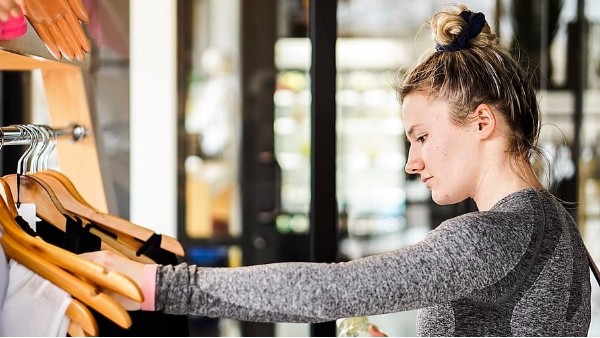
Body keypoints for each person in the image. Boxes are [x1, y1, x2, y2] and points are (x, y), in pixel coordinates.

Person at [82, 4, 592, 336]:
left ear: (482, 122)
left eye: (422, 137)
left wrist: (165, 285)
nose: (412, 161)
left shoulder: (493, 235)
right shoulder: (554, 225)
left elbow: (332, 289)